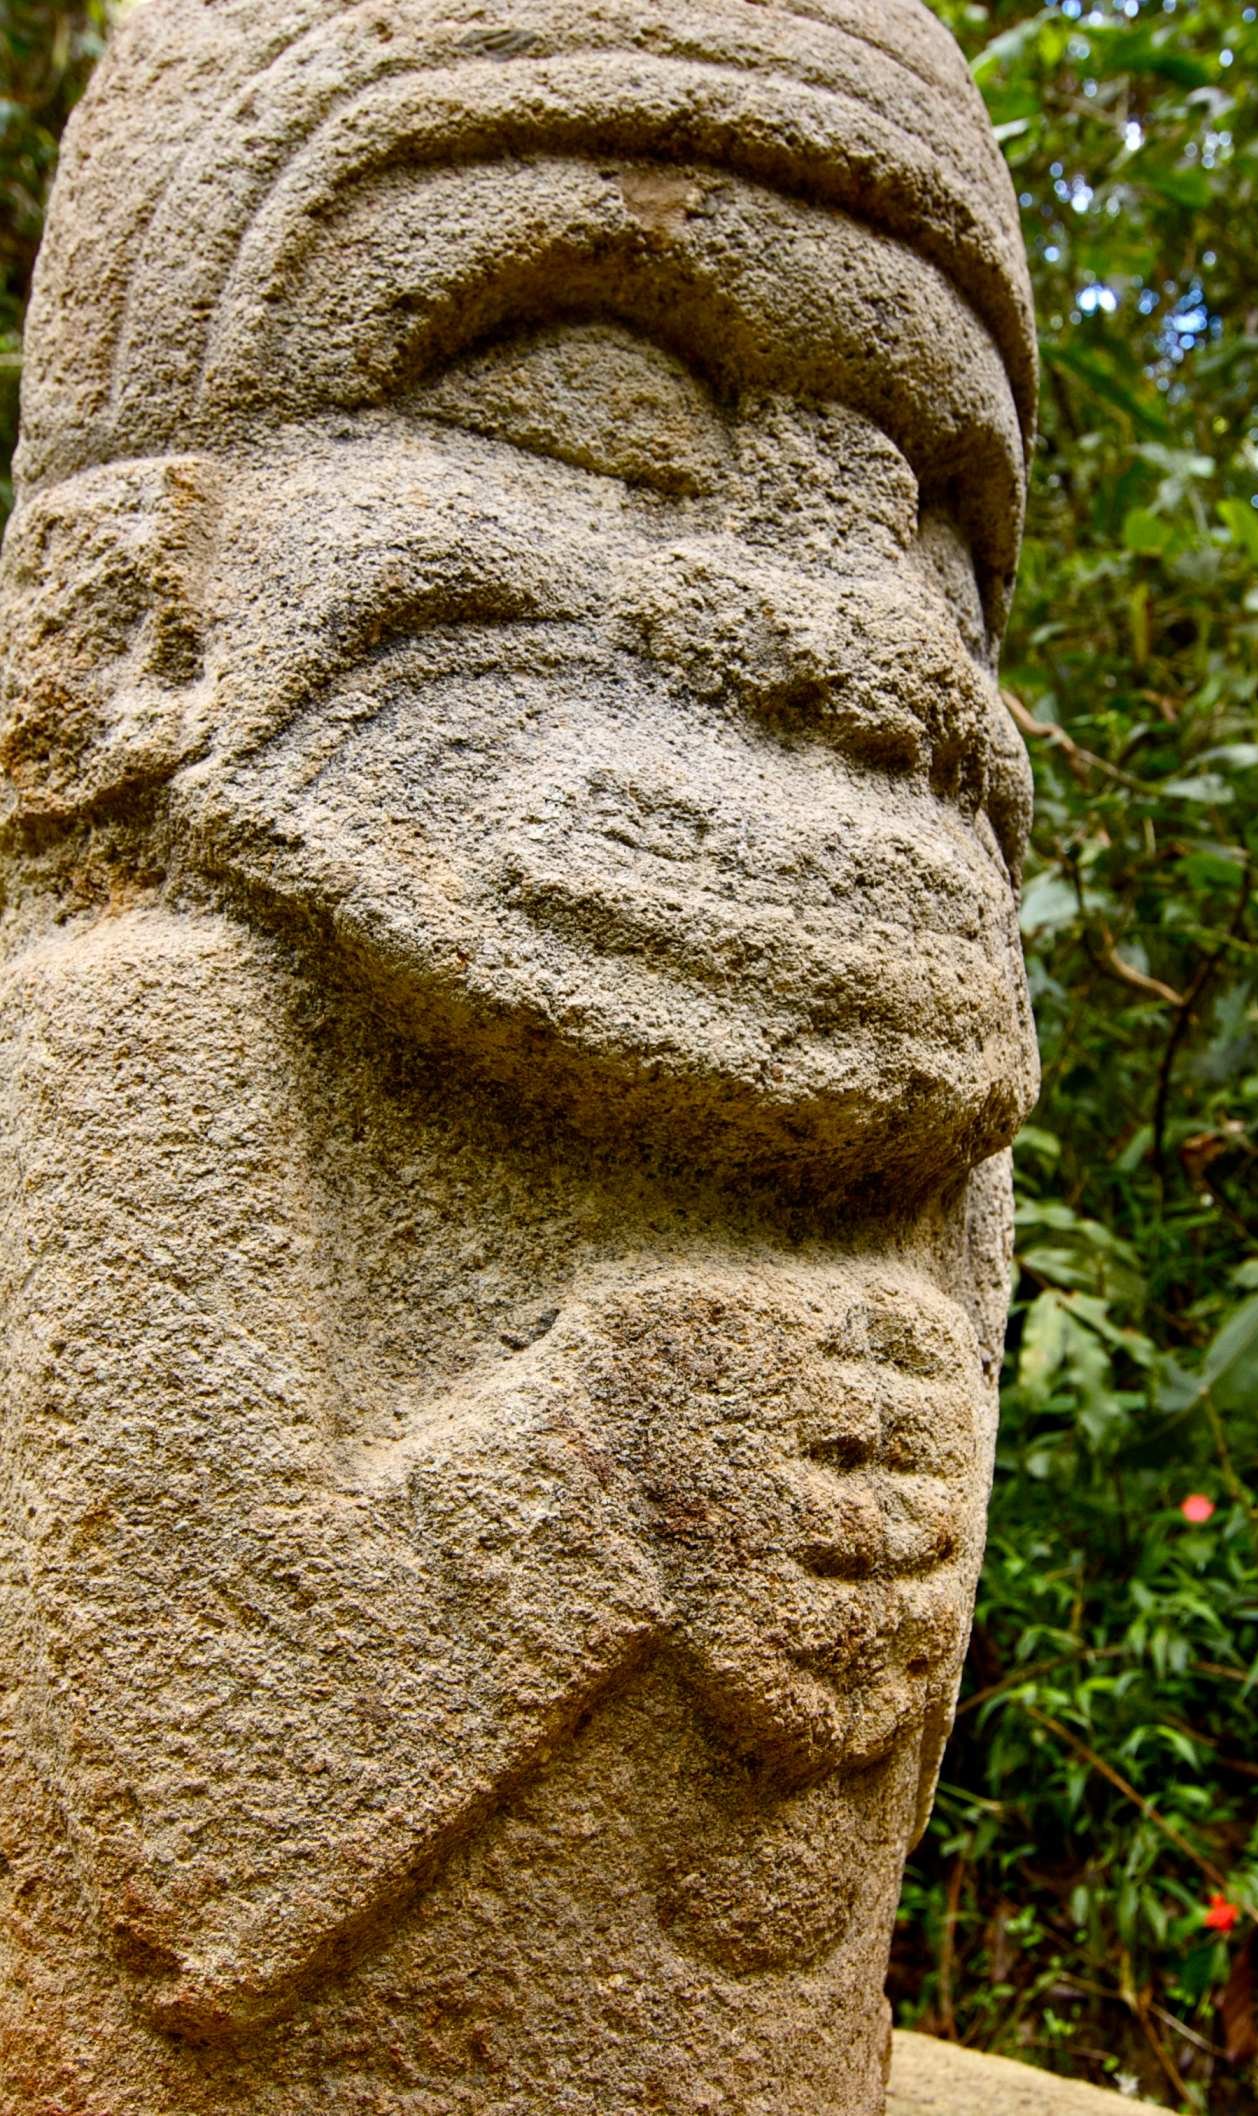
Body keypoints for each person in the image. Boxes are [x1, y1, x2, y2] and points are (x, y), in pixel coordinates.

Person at [0, 2, 1037, 2107]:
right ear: (130, 609)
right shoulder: (149, 1020)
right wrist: (614, 1457)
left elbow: (806, 1854)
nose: (871, 640)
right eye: (597, 399)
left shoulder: (940, 1154)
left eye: (935, 524)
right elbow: (203, 1863)